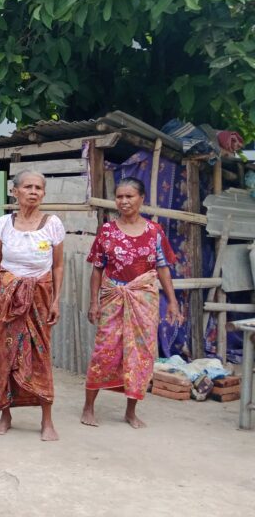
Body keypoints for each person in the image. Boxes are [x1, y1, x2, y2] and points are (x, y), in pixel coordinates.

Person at [80, 177, 183, 429]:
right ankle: (88, 407)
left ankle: (130, 411)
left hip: (143, 301)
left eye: (129, 196)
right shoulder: (107, 230)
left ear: (141, 199)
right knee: (104, 351)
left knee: (140, 354)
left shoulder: (154, 232)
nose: (124, 201)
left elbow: (162, 268)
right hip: (113, 298)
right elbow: (97, 270)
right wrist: (94, 302)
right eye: (120, 196)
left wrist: (172, 302)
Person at [0, 170, 65, 441]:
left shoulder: (52, 224)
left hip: (40, 298)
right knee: (4, 357)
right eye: (27, 187)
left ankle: (47, 421)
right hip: (6, 298)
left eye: (38, 188)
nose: (33, 191)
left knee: (41, 356)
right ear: (15, 191)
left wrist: (55, 300)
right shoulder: (3, 224)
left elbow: (58, 265)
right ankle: (5, 415)